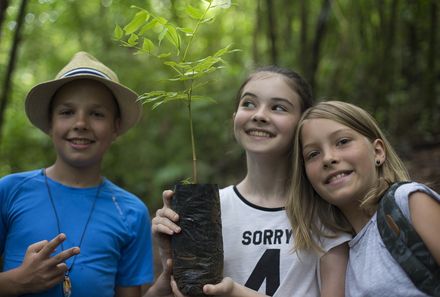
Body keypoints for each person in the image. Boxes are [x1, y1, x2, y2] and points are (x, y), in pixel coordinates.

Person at [153, 66, 351, 297]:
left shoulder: (323, 212)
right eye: (248, 104)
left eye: (278, 107)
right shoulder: (211, 209)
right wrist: (174, 260)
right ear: (234, 118)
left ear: (302, 125)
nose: (259, 115)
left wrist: (236, 294)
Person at [0, 51, 172, 297]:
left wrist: (160, 290)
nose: (80, 123)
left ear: (115, 127)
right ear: (50, 123)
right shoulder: (9, 191)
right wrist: (18, 281)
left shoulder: (131, 212)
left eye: (97, 114)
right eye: (67, 112)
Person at [286, 100, 440, 296]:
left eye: (342, 142)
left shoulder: (407, 202)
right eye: (313, 154)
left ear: (378, 151)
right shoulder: (341, 258)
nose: (328, 158)